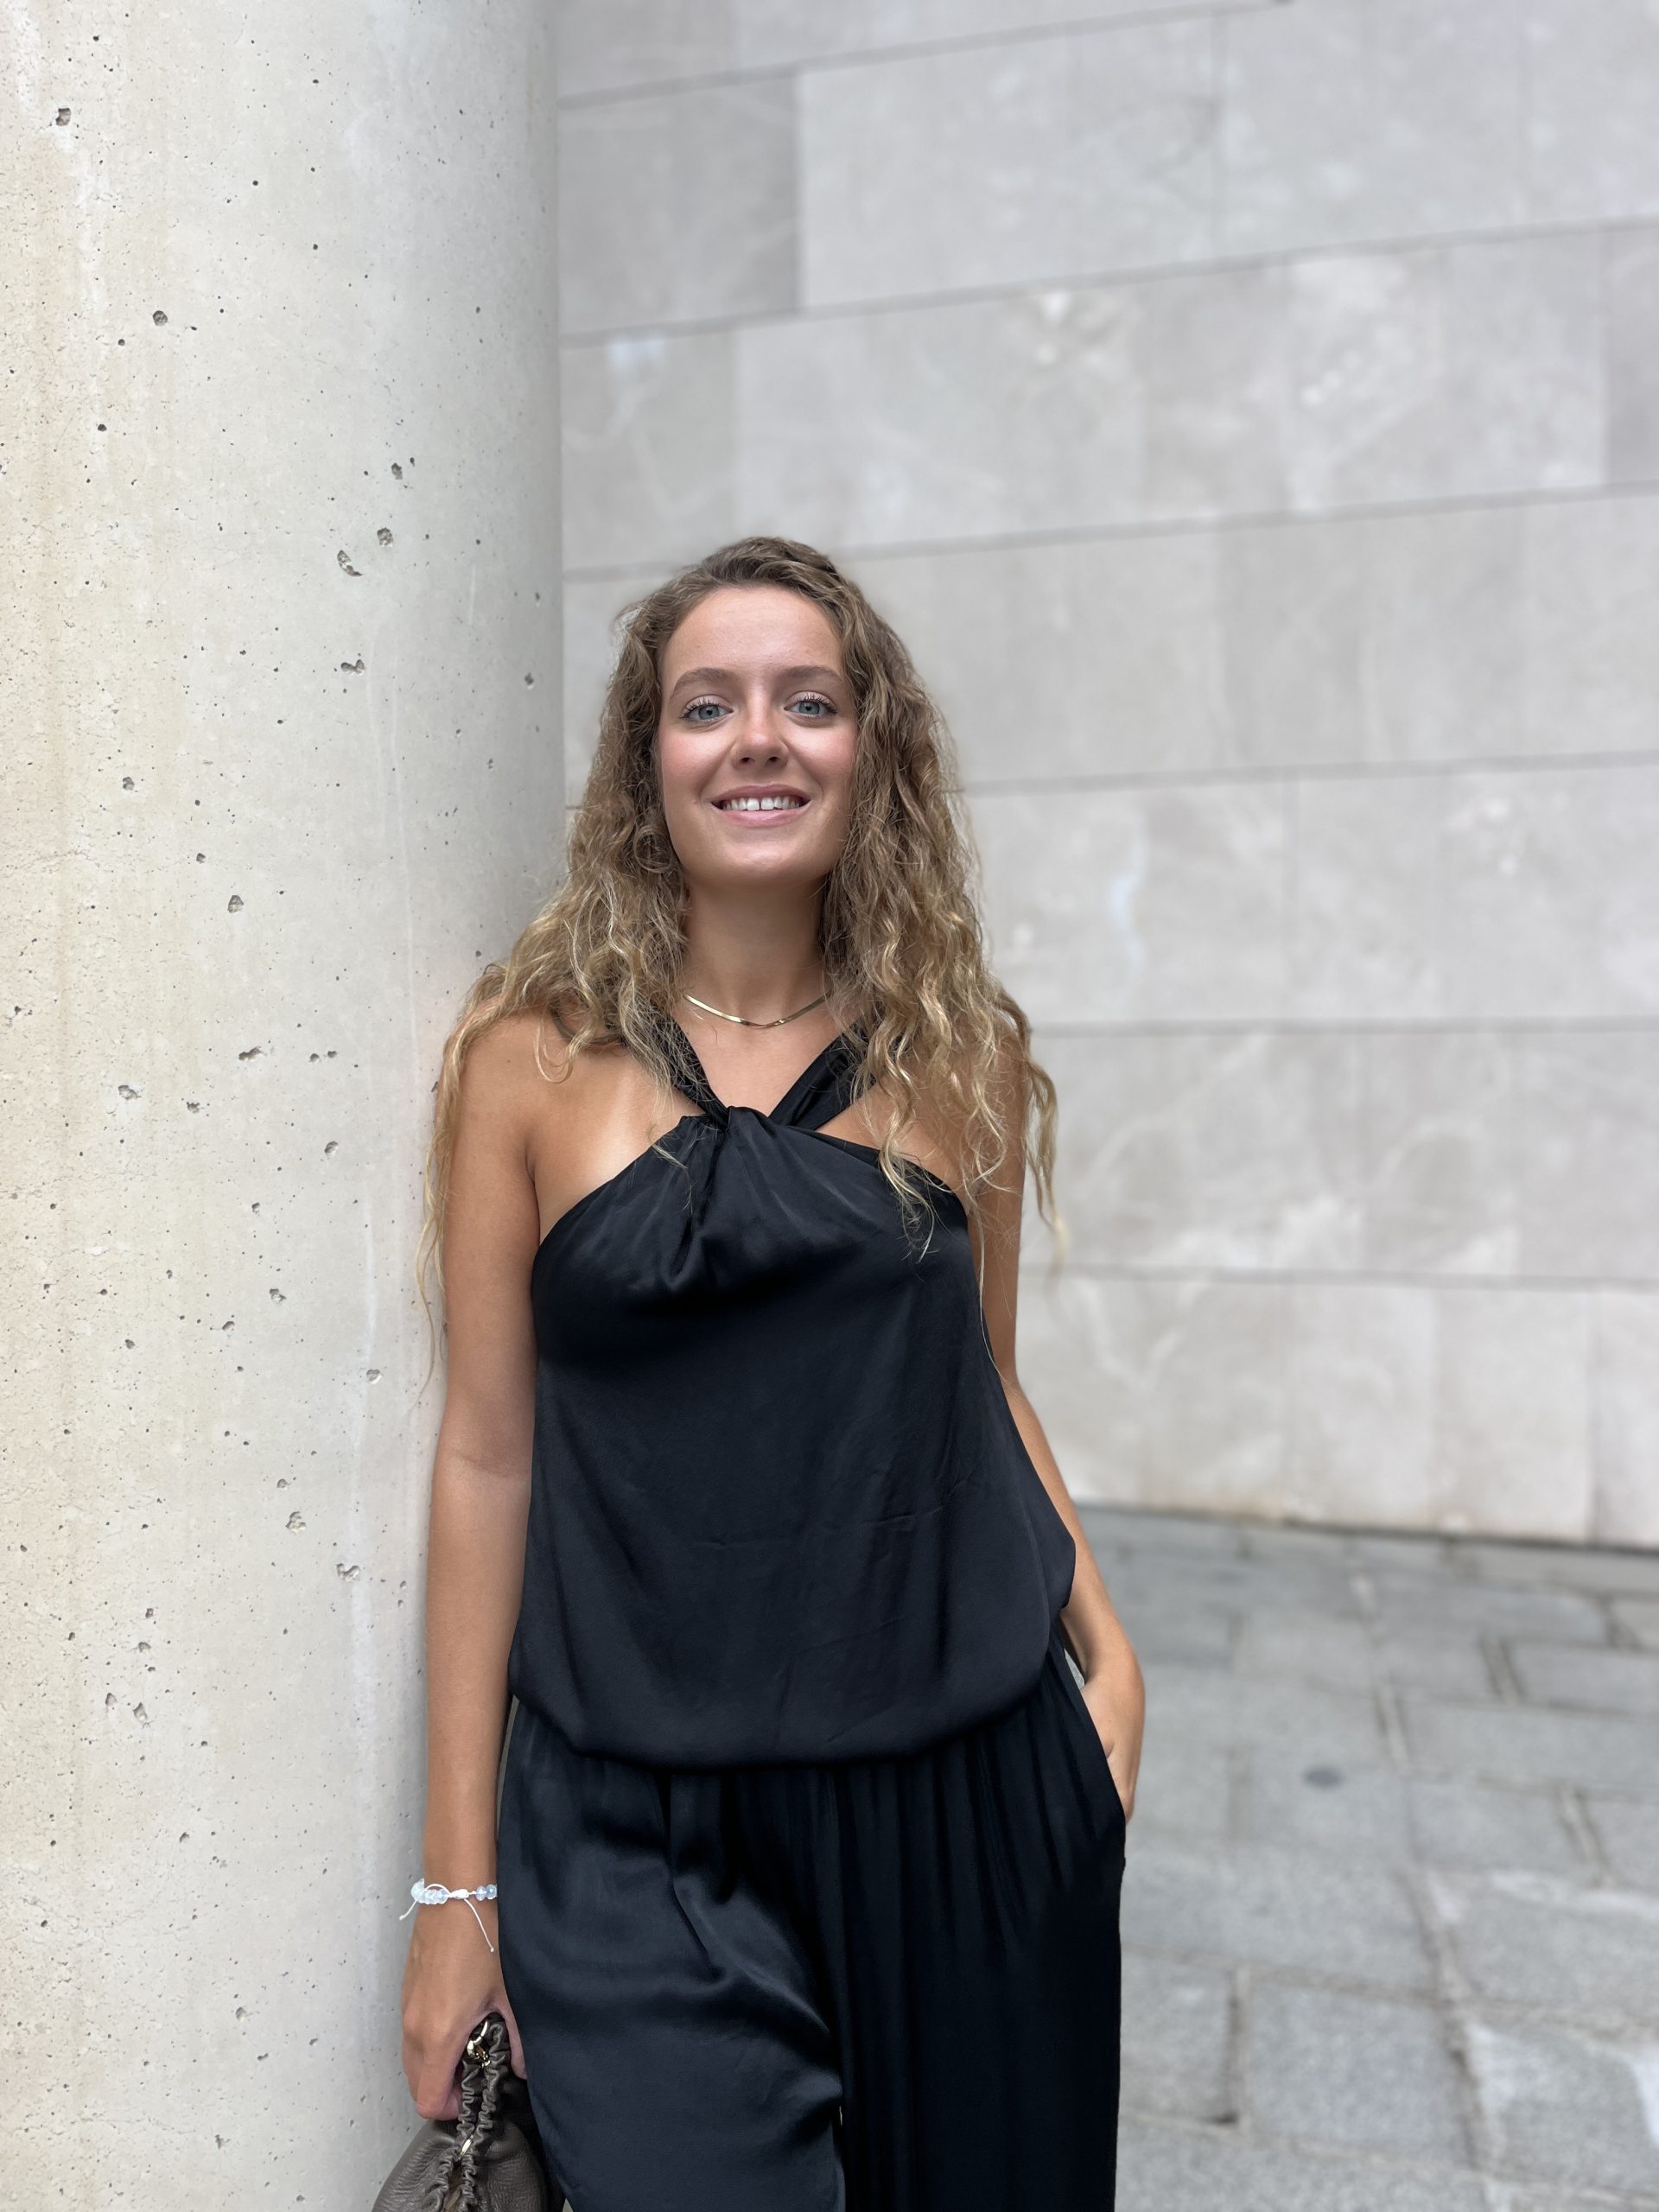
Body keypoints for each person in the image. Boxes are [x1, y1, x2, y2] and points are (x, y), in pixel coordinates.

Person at [398, 535, 1146, 2210]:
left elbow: (982, 1385)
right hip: (633, 1837)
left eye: (808, 701)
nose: (758, 739)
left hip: (966, 1809)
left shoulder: (961, 1051)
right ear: (645, 759)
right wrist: (457, 1893)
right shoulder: (529, 1062)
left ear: (871, 749)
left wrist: (1111, 1666)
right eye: (707, 705)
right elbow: (488, 1454)